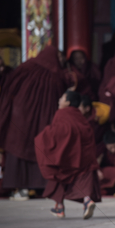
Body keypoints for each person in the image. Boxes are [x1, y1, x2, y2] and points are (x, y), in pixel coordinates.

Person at [0, 46, 69, 200]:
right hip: (42, 121)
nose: (61, 60)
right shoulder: (56, 76)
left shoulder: (26, 67)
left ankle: (19, 188)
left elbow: (9, 89)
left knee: (19, 149)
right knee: (41, 149)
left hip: (20, 118)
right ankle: (41, 187)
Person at [34, 91, 101, 219]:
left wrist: (43, 135)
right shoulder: (80, 116)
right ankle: (87, 200)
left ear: (68, 102)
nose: (59, 100)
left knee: (59, 172)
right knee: (84, 175)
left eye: (62, 98)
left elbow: (59, 132)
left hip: (67, 153)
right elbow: (86, 133)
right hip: (82, 154)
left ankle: (60, 207)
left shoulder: (62, 113)